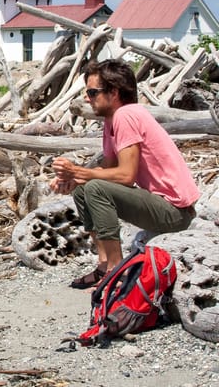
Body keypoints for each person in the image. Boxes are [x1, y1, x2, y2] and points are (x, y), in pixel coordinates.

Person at [50, 59, 199, 289]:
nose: (88, 98)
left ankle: (116, 271)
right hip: (160, 206)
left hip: (175, 212)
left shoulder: (126, 115)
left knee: (94, 187)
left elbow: (126, 177)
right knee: (84, 188)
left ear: (114, 92)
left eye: (92, 92)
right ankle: (104, 263)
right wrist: (72, 178)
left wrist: (79, 171)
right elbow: (107, 172)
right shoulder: (111, 121)